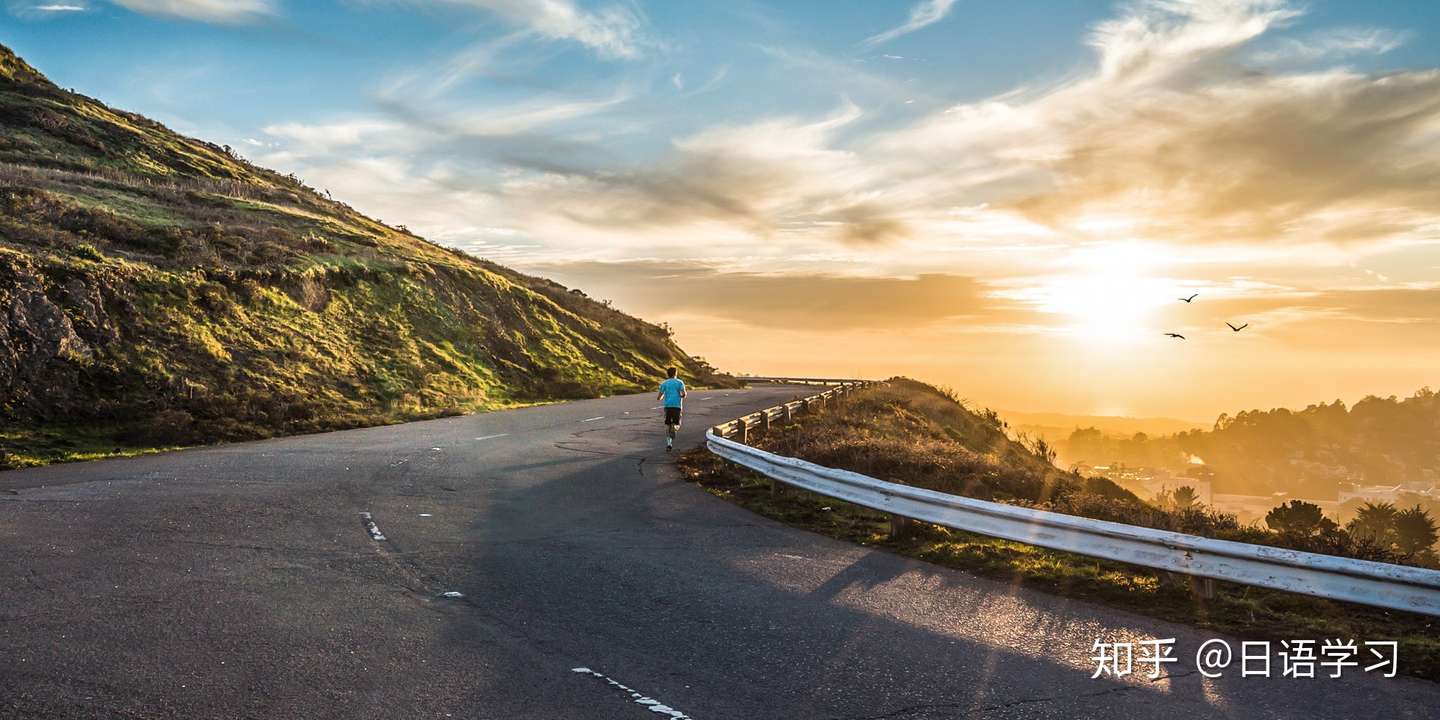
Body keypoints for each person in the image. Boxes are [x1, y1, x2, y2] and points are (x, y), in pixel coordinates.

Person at [657, 367, 686, 451]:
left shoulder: (664, 383)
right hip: (677, 406)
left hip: (668, 406)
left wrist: (660, 397)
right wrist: (681, 396)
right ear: (675, 373)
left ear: (667, 374)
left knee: (667, 425)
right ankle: (675, 427)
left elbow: (659, 396)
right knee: (677, 423)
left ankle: (669, 444)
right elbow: (684, 394)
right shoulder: (680, 382)